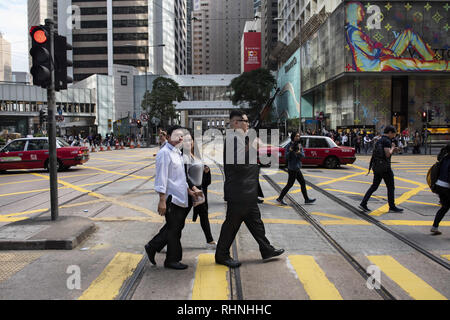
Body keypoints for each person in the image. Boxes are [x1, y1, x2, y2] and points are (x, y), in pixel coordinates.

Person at [215, 110, 284, 268]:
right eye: (245, 121)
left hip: (248, 191)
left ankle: (266, 249)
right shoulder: (233, 139)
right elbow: (237, 164)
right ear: (235, 123)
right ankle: (221, 254)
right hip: (239, 192)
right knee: (231, 226)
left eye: (248, 121)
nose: (248, 124)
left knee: (256, 223)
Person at [144, 125, 199, 270]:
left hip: (181, 197)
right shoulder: (164, 153)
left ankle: (153, 246)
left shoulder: (177, 153)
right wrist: (162, 200)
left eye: (182, 135)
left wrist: (189, 191)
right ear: (168, 137)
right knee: (174, 230)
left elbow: (180, 178)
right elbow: (161, 178)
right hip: (171, 199)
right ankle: (171, 260)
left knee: (175, 227)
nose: (180, 138)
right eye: (176, 135)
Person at [345, 1, 448, 72]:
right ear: (353, 12)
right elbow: (371, 52)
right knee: (411, 64)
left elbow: (371, 47)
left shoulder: (355, 31)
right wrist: (384, 51)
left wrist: (380, 48)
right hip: (373, 65)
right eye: (360, 11)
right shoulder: (354, 33)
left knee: (408, 34)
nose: (363, 14)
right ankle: (443, 66)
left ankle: (431, 59)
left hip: (377, 59)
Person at [182, 131, 216, 248]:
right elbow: (184, 176)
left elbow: (198, 171)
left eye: (190, 140)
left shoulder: (195, 155)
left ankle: (210, 240)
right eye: (185, 140)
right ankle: (158, 243)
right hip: (189, 191)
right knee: (179, 219)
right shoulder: (184, 157)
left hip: (198, 191)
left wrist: (206, 170)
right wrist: (193, 188)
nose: (188, 142)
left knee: (204, 214)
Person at [359, 125, 403, 213]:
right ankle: (392, 206)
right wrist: (393, 148)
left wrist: (394, 149)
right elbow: (387, 154)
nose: (394, 136)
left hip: (377, 166)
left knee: (374, 186)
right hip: (385, 168)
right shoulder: (386, 141)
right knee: (390, 187)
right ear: (390, 132)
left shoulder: (379, 140)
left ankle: (363, 203)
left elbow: (384, 152)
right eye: (393, 134)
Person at [276, 131, 316, 206]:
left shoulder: (299, 145)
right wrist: (290, 151)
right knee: (290, 184)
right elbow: (286, 157)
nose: (298, 137)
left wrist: (299, 153)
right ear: (293, 137)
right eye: (296, 136)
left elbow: (303, 156)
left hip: (297, 168)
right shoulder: (288, 146)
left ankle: (306, 199)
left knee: (302, 183)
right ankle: (280, 198)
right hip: (292, 169)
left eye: (299, 136)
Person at [430, 144, 450, 235]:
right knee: (445, 207)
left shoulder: (444, 158)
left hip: (439, 185)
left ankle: (434, 227)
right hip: (447, 187)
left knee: (444, 207)